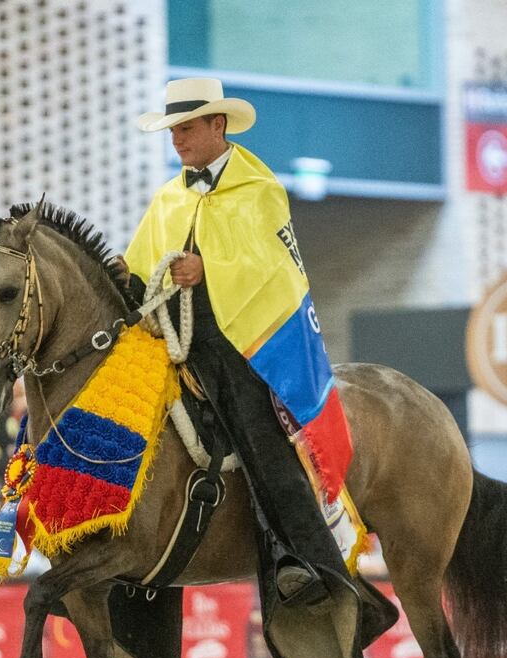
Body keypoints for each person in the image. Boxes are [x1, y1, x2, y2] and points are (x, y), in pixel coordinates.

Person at [122, 77, 352, 605]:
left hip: (241, 344)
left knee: (261, 443)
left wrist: (210, 269)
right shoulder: (169, 196)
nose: (176, 140)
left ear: (216, 125)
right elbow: (139, 267)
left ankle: (310, 562)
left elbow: (275, 271)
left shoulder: (261, 190)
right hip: (177, 341)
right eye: (171, 130)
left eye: (185, 128)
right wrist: (119, 273)